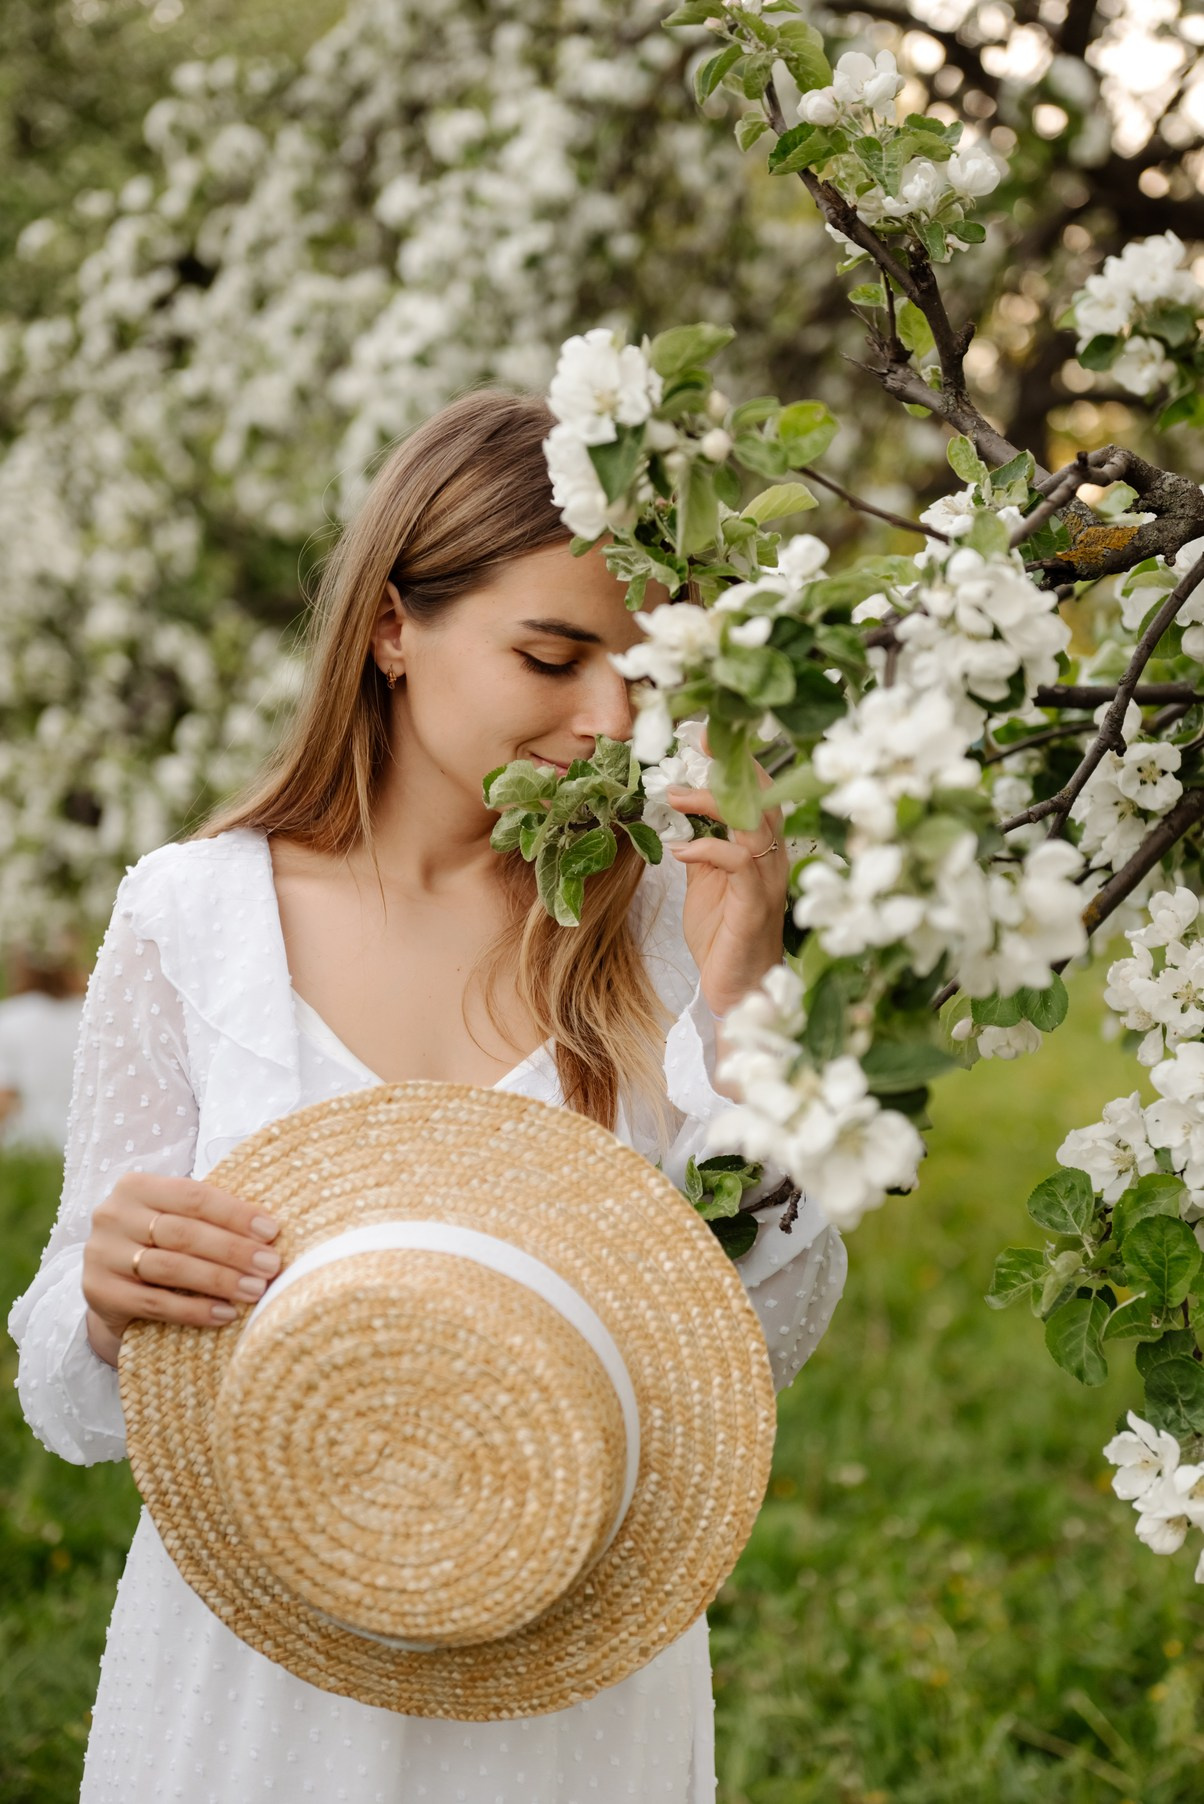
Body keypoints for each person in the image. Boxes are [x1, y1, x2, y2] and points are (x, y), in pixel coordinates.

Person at [9, 389, 848, 1804]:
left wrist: (750, 995)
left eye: (646, 676)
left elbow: (758, 1342)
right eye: (553, 652)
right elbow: (69, 1400)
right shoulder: (196, 915)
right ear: (394, 627)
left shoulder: (661, 926)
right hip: (265, 1665)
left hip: (559, 1657)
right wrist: (104, 1293)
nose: (607, 718)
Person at [0, 947, 87, 1154]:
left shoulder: (10, 1017)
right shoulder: (91, 1014)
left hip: (28, 1151)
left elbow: (4, 1099)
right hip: (83, 1146)